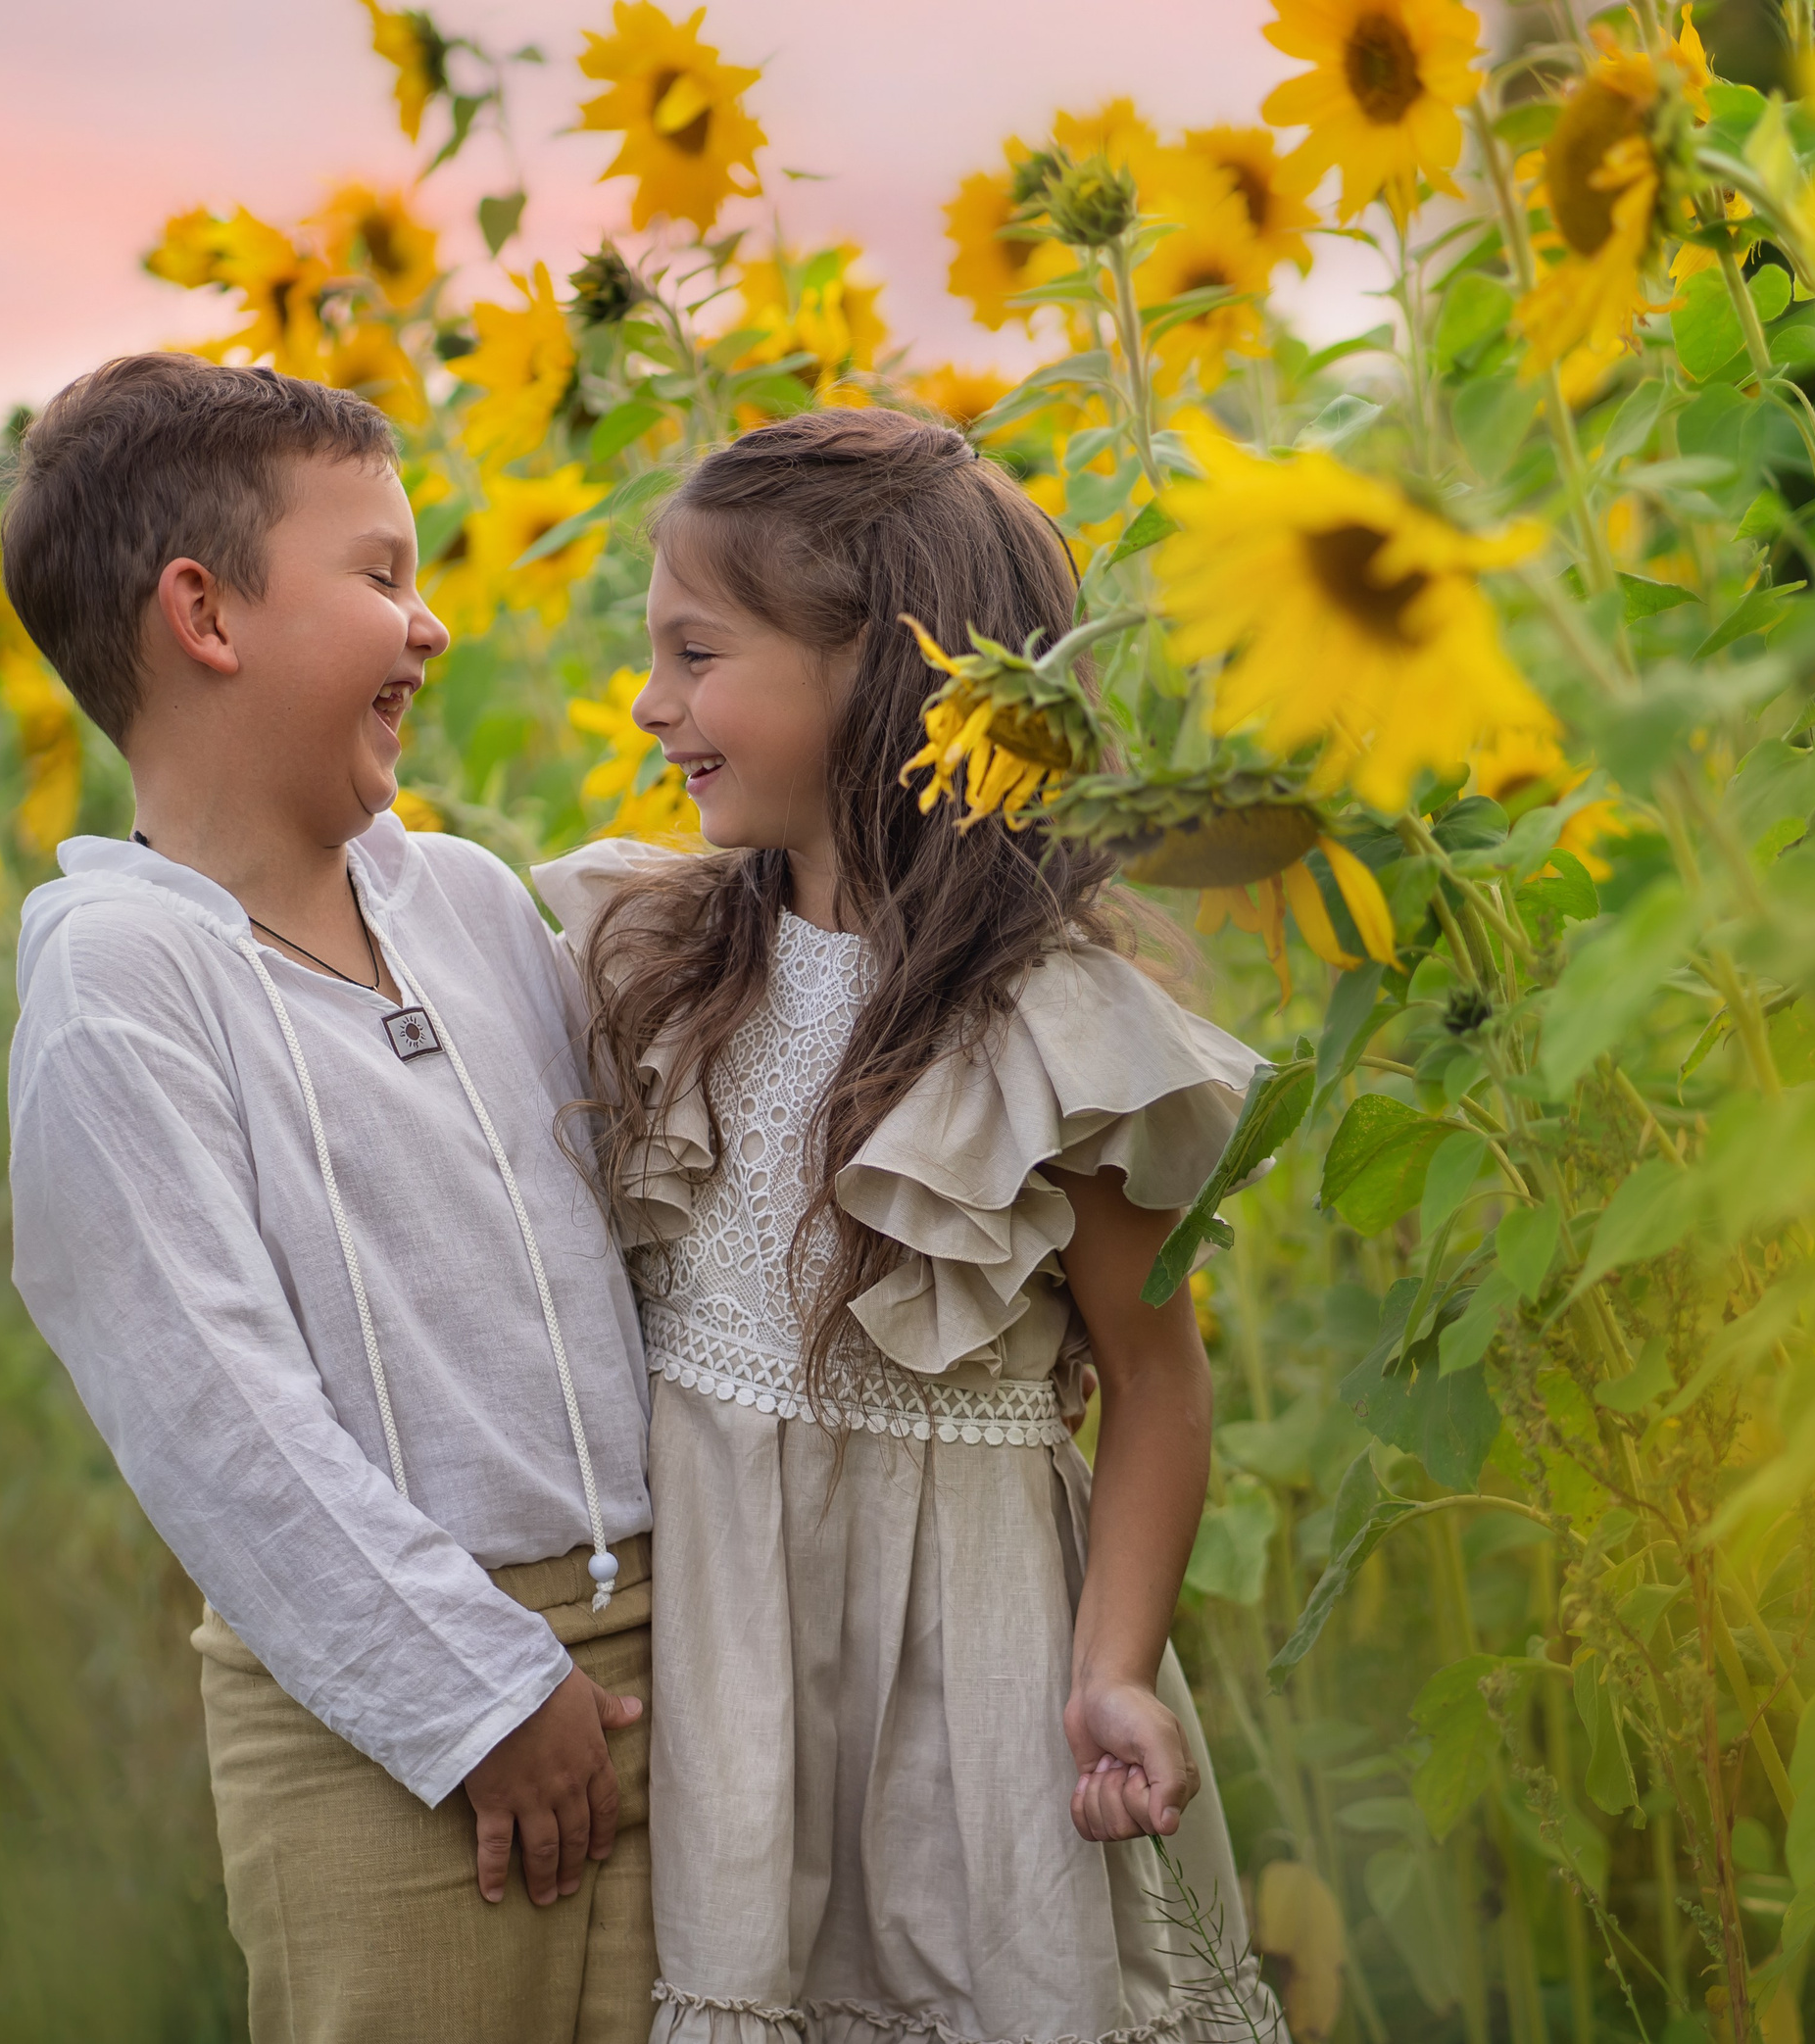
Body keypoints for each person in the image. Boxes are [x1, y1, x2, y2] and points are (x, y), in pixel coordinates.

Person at [534, 407, 1280, 2043]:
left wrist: (1116, 1667)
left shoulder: (1046, 1034)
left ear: (878, 671)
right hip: (723, 1674)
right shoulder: (658, 961)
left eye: (697, 651)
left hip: (977, 1680)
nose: (655, 703)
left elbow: (1158, 1381)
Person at [2, 354, 657, 2044]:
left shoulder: (462, 897)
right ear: (205, 614)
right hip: (380, 1711)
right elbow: (212, 1406)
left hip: (658, 1649)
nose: (428, 625)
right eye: (380, 573)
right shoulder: (124, 980)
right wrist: (476, 1692)